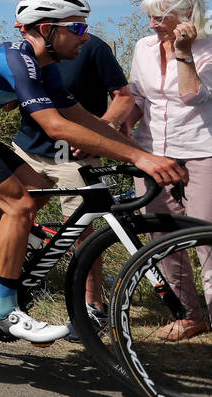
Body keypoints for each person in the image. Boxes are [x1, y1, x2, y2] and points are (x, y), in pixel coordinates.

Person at [0, 0, 185, 344]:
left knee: (36, 188)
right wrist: (139, 158)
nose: (85, 36)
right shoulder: (18, 60)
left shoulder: (46, 67)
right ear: (45, 30)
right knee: (20, 204)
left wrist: (139, 154)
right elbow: (55, 127)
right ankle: (5, 310)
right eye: (77, 27)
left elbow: (84, 119)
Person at [121, 0, 212, 355]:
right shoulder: (142, 47)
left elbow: (194, 96)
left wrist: (184, 52)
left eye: (162, 17)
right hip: (154, 153)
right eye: (150, 17)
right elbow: (139, 96)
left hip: (206, 151)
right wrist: (114, 126)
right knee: (161, 237)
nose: (154, 24)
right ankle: (191, 314)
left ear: (187, 17)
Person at [8, 17, 133, 334]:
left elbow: (124, 96)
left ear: (47, 24)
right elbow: (9, 102)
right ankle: (15, 291)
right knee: (8, 217)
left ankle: (93, 308)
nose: (16, 28)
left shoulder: (92, 48)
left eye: (23, 22)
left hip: (71, 154)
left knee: (79, 231)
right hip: (27, 149)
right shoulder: (22, 53)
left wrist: (101, 132)